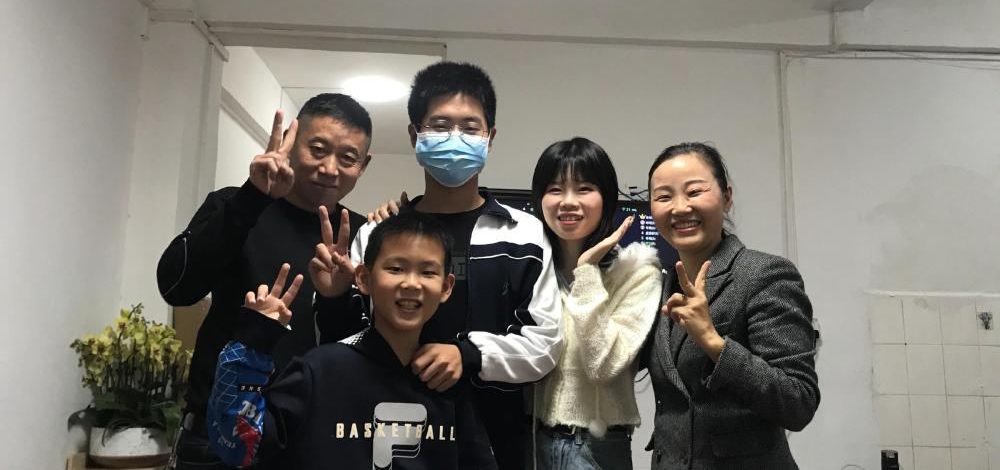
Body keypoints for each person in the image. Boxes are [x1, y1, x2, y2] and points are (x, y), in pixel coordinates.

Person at [314, 61, 561, 469]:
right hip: (388, 434)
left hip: (495, 441)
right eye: (440, 126)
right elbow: (345, 342)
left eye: (470, 127)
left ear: (490, 138)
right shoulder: (378, 234)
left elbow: (546, 344)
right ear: (415, 136)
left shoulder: (523, 234)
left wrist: (470, 355)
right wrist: (335, 297)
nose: (455, 138)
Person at [157, 94, 373, 469]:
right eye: (317, 149)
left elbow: (363, 348)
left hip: (314, 441)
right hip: (217, 440)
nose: (329, 168)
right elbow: (177, 288)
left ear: (363, 166)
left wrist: (337, 296)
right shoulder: (236, 204)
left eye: (347, 158)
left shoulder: (363, 236)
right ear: (291, 141)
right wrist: (252, 198)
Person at [207, 212, 498, 469]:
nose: (411, 283)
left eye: (428, 272)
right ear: (364, 279)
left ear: (446, 287)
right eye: (396, 269)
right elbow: (239, 447)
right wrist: (252, 343)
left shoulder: (447, 378)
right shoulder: (320, 370)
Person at [643, 142, 819, 469]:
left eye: (694, 191)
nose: (679, 207)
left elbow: (798, 402)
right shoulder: (661, 288)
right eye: (664, 197)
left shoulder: (764, 274)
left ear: (726, 197)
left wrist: (713, 342)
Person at [528, 137, 663, 470]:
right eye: (555, 189)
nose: (568, 202)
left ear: (606, 198)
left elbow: (603, 365)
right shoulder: (532, 268)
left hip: (595, 448)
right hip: (531, 441)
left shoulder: (637, 271)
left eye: (584, 188)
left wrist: (586, 272)